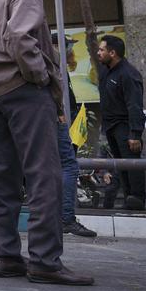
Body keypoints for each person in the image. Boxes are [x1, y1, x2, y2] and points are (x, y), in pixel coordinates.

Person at [0, 0, 93, 286]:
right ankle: (44, 260)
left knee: (4, 176)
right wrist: (40, 77)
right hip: (22, 89)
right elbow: (21, 38)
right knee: (44, 176)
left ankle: (6, 255)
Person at [96, 35, 146, 211]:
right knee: (120, 166)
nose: (98, 53)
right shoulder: (105, 71)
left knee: (132, 164)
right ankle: (128, 200)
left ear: (113, 52)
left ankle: (137, 200)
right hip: (110, 126)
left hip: (125, 127)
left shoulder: (129, 74)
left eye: (102, 49)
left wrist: (135, 134)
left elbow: (135, 106)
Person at [55, 42, 96, 237]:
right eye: (68, 48)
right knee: (68, 165)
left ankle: (60, 218)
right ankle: (66, 218)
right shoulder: (52, 59)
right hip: (53, 118)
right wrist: (58, 110)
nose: (72, 54)